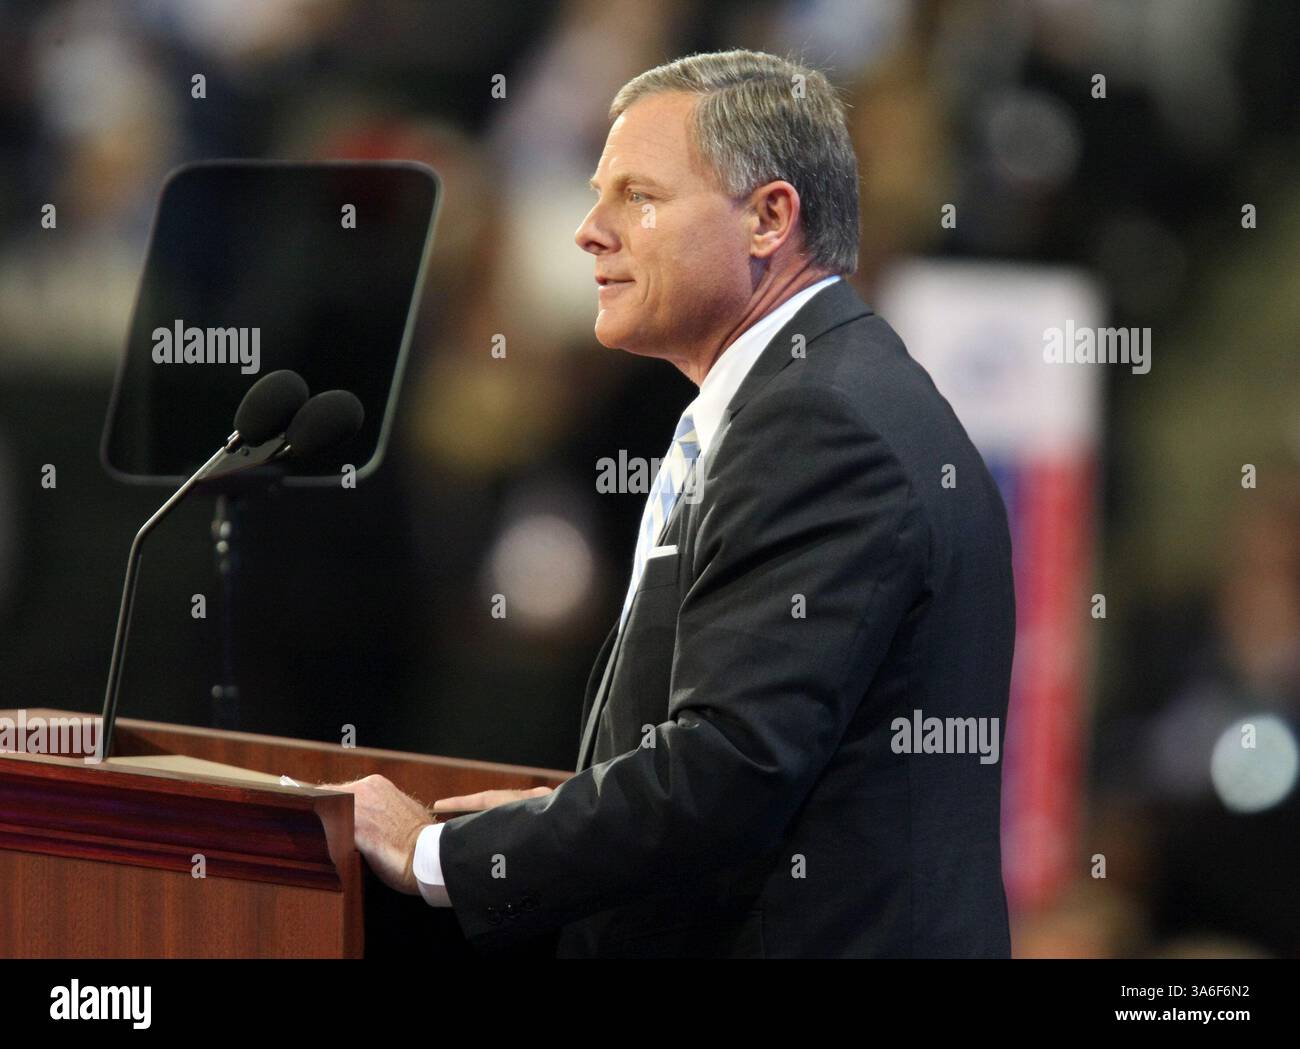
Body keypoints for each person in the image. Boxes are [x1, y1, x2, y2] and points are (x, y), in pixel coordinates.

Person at [333, 49, 1015, 958]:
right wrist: (560, 818)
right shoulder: (811, 392)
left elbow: (727, 768)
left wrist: (435, 853)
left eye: (638, 197)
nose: (590, 232)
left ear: (769, 217)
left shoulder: (820, 423)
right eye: (598, 195)